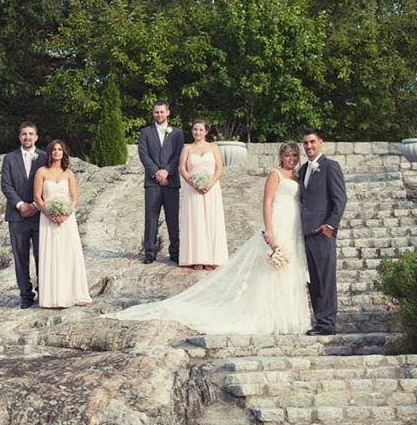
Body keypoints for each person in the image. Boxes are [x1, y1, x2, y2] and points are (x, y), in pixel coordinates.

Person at [109, 142, 312, 335]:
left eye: (294, 155)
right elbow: (267, 202)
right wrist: (269, 229)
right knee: (270, 271)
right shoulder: (275, 175)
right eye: (287, 155)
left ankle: (287, 316)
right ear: (281, 157)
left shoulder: (297, 176)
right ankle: (268, 316)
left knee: (290, 269)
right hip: (278, 222)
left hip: (294, 225)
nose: (291, 159)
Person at [33, 140, 92, 308]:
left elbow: (74, 197)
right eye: (54, 149)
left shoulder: (69, 174)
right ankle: (52, 297)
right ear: (49, 152)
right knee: (51, 254)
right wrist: (49, 213)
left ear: (63, 153)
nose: (57, 152)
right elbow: (37, 197)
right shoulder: (41, 172)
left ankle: (74, 294)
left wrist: (66, 214)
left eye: (60, 149)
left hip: (67, 220)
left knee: (69, 254)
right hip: (47, 219)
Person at [299, 128, 347, 336]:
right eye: (306, 144)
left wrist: (330, 225)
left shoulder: (330, 166)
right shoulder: (303, 170)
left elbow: (340, 199)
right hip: (306, 233)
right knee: (314, 280)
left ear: (321, 143)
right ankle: (320, 321)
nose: (309, 147)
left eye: (312, 142)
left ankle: (327, 323)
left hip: (322, 232)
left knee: (325, 278)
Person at [1, 122, 47, 308]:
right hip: (17, 216)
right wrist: (20, 205)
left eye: (30, 134)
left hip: (39, 215)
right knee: (20, 257)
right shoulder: (9, 158)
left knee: (42, 255)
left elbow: (49, 182)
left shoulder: (44, 157)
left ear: (36, 136)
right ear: (19, 137)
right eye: (24, 134)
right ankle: (25, 294)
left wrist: (36, 205)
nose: (27, 137)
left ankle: (44, 290)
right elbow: (6, 185)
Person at [138, 99, 185, 264]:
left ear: (168, 112)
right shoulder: (145, 132)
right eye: (156, 112)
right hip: (152, 182)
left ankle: (175, 251)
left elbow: (179, 155)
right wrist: (156, 173)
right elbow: (143, 154)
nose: (159, 114)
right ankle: (150, 252)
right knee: (151, 217)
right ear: (153, 113)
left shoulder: (177, 133)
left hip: (171, 181)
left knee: (173, 218)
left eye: (162, 111)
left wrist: (167, 171)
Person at [178, 119, 229, 270]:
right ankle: (197, 258)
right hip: (193, 189)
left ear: (206, 131)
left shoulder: (213, 147)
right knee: (196, 221)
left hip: (211, 189)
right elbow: (182, 168)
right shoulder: (187, 148)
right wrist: (193, 183)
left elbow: (219, 168)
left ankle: (213, 258)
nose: (197, 132)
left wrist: (210, 183)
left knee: (211, 220)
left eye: (200, 130)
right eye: (195, 129)